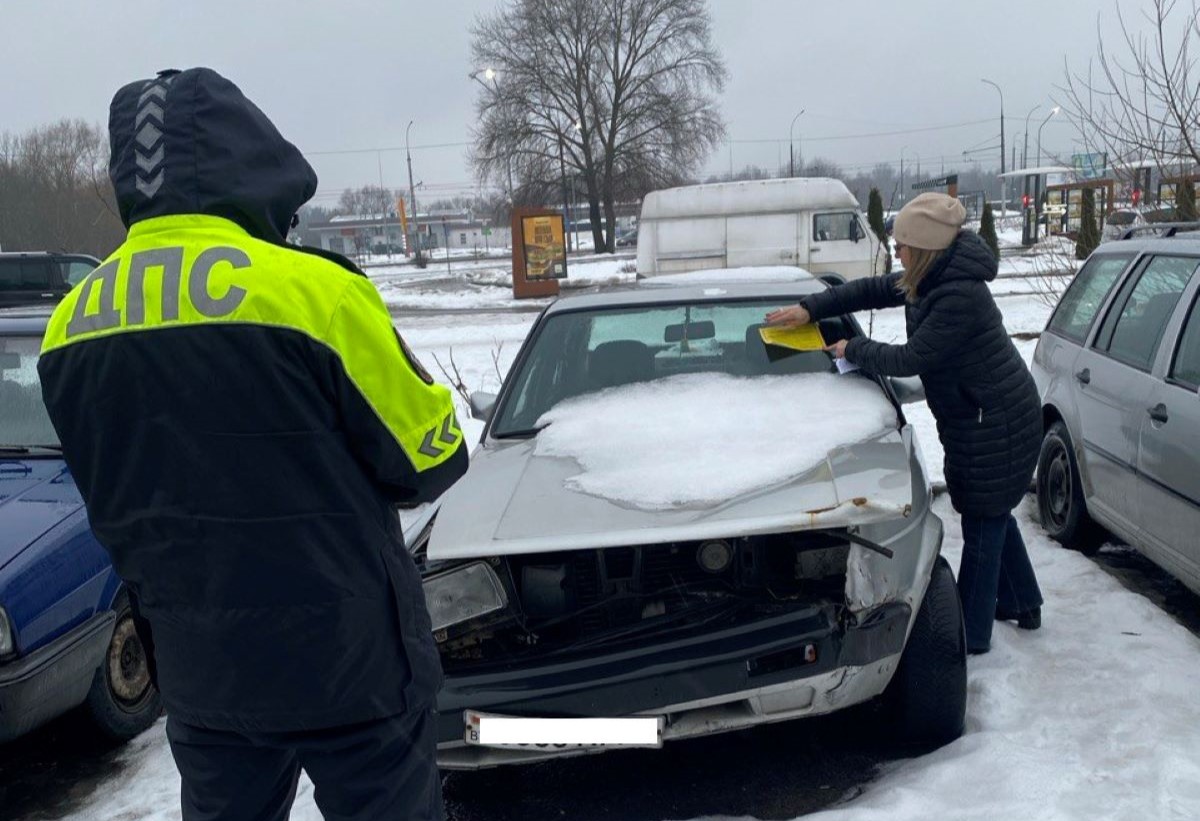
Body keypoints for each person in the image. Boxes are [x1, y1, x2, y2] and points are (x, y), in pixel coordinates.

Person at [37, 68, 467, 820]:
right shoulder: (315, 292)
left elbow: (113, 489)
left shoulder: (70, 324)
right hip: (352, 664)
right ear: (250, 162)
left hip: (204, 672)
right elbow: (432, 457)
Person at [766, 192, 1043, 655]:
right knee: (990, 514)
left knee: (983, 521)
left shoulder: (958, 295)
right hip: (980, 414)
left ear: (924, 248)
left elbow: (911, 358)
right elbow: (870, 290)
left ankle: (969, 637)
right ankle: (1023, 602)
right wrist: (812, 308)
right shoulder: (931, 275)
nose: (896, 252)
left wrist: (851, 349)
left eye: (901, 245)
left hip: (998, 423)